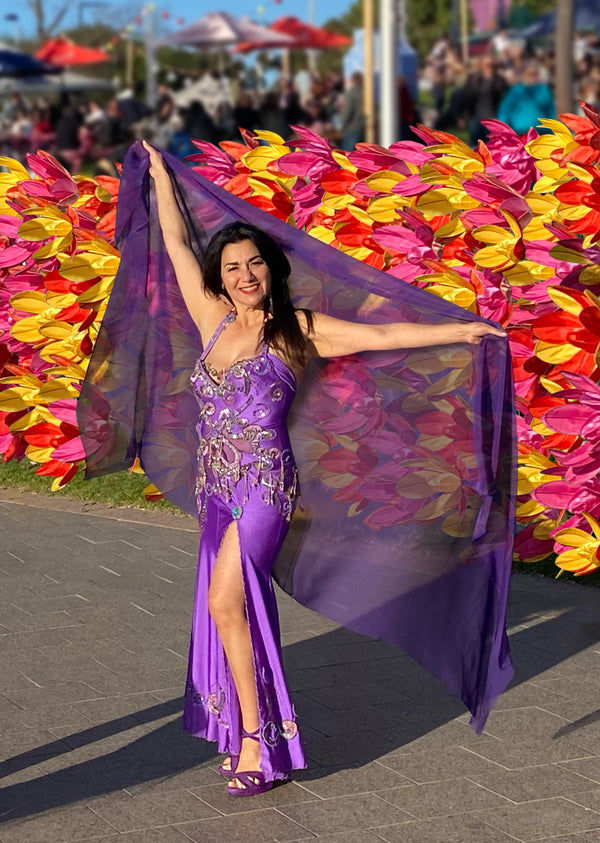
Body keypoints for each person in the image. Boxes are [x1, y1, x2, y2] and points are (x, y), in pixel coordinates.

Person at [140, 140, 507, 797]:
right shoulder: (214, 322)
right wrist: (162, 175)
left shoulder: (296, 328)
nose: (245, 274)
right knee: (229, 608)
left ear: (268, 269)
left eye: (254, 263)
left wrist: (461, 332)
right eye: (233, 266)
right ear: (220, 277)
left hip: (264, 488)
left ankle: (256, 737)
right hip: (216, 488)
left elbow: (384, 338)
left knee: (228, 599)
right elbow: (172, 241)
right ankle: (251, 733)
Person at [497, 60, 555, 136]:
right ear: (523, 75)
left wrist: (554, 132)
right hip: (521, 133)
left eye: (535, 74)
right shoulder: (515, 91)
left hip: (541, 132)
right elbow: (504, 113)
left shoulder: (544, 90)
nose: (533, 77)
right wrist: (502, 133)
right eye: (530, 74)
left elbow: (550, 112)